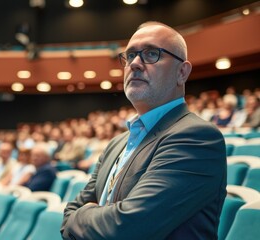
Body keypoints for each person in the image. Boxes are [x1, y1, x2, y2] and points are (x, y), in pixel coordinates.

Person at [61, 21, 226, 240]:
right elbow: (67, 215)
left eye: (151, 54)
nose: (135, 64)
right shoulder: (117, 143)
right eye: (130, 56)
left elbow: (126, 229)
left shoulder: (196, 138)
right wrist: (84, 217)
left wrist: (80, 218)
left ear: (182, 72)